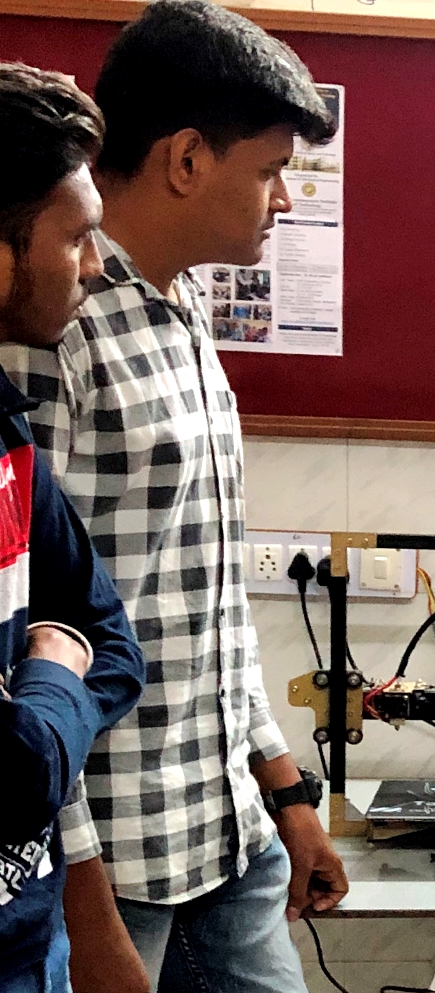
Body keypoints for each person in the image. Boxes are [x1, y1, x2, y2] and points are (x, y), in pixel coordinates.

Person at [0, 5, 347, 992]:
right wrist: (85, 912)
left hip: (226, 832)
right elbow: (28, 633)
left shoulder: (185, 304)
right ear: (188, 159)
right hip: (117, 867)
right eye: (270, 170)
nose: (285, 200)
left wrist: (284, 789)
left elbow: (209, 595)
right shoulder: (48, 322)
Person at [0, 62, 145, 993]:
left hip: (30, 944)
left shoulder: (6, 436)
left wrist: (40, 711)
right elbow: (16, 776)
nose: (95, 266)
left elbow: (114, 643)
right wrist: (54, 675)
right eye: (76, 236)